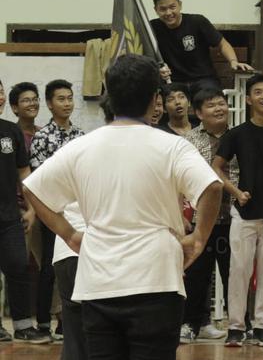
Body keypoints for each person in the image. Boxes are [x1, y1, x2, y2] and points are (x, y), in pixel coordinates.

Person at [22, 54, 224, 359]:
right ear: (156, 99)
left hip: (99, 282)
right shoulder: (172, 146)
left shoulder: (80, 147)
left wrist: (69, 235)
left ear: (108, 93)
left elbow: (32, 188)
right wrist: (198, 239)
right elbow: (213, 187)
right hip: (157, 279)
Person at [212, 74, 263, 347]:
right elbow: (216, 166)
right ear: (248, 99)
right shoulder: (237, 134)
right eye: (258, 92)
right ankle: (235, 327)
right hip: (243, 214)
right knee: (239, 271)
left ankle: (262, 327)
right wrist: (235, 192)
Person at [29, 78, 83, 338]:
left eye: (70, 98)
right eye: (61, 99)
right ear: (49, 104)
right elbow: (39, 178)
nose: (67, 103)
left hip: (76, 212)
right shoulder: (42, 137)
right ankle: (42, 322)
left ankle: (66, 321)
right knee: (49, 268)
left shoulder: (81, 136)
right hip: (50, 210)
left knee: (73, 265)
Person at [181, 88, 235, 343]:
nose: (218, 108)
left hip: (233, 217)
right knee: (196, 275)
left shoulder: (239, 136)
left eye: (221, 103)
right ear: (199, 113)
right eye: (211, 105)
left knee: (232, 273)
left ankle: (237, 325)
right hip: (200, 219)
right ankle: (192, 324)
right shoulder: (189, 140)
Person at [0, 80, 42, 344]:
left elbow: (24, 173)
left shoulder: (10, 132)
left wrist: (31, 209)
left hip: (10, 216)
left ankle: (24, 326)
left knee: (18, 266)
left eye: (0, 90)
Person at [150, 0, 253, 89]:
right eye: (163, 9)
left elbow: (222, 44)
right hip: (173, 82)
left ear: (180, 5)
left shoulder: (197, 22)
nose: (168, 13)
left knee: (210, 99)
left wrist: (233, 61)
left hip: (204, 80)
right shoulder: (152, 28)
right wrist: (157, 70)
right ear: (156, 10)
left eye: (172, 7)